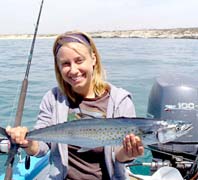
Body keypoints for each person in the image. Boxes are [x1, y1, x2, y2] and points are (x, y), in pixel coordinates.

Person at [6, 31, 144, 180]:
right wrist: (27, 142)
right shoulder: (53, 99)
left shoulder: (120, 101)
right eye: (65, 64)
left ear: (93, 59)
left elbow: (118, 155)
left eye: (79, 61)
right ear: (58, 67)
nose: (73, 70)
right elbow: (42, 147)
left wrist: (128, 153)